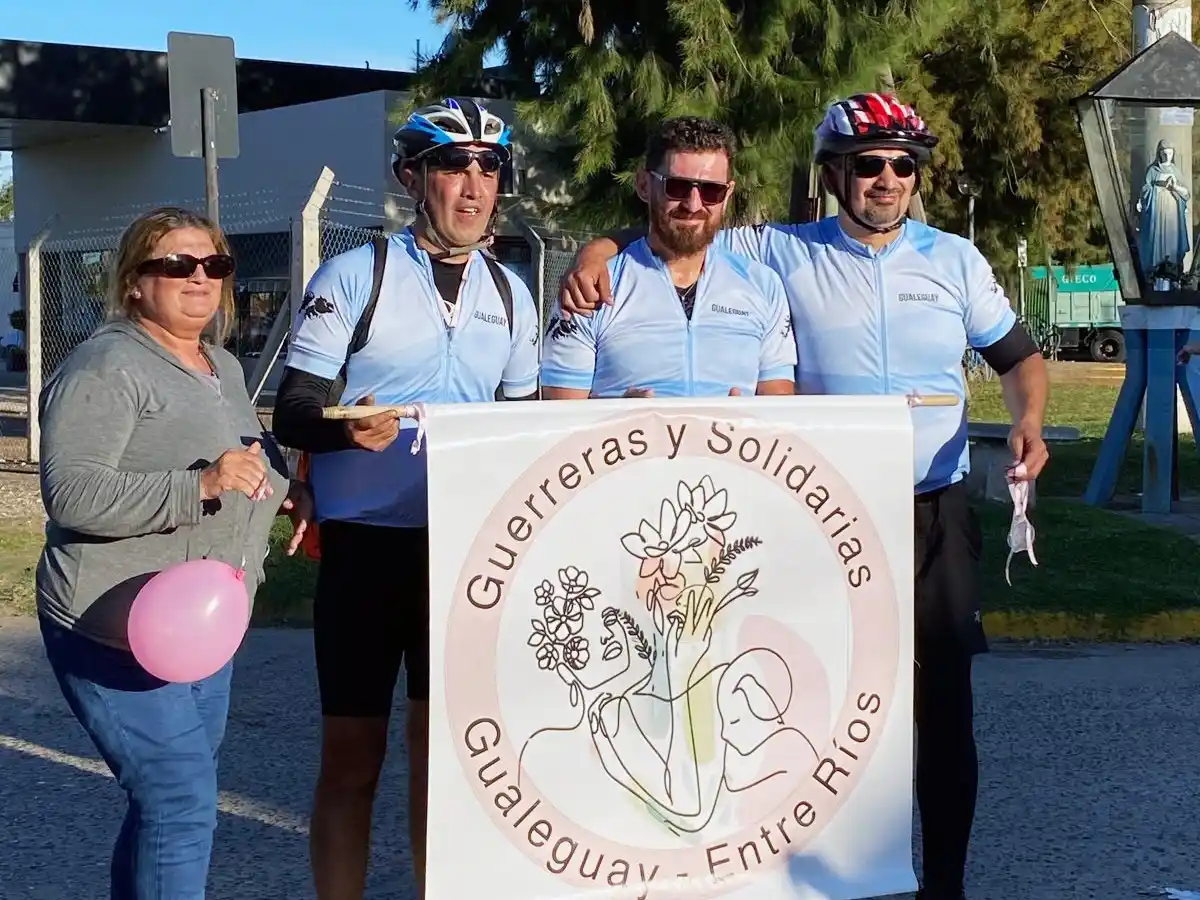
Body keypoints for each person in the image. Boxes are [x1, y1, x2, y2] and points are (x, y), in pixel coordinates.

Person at [555, 93, 1051, 900]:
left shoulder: (956, 261)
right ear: (832, 176)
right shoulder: (780, 250)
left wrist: (1029, 419)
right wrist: (595, 248)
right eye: (867, 166)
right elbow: (684, 227)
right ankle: (824, 881)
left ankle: (946, 886)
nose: (886, 181)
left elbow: (1019, 357)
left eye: (902, 166)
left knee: (944, 711)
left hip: (934, 507)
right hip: (827, 516)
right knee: (818, 703)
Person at [270, 97, 540, 900]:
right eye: (454, 166)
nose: (473, 184)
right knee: (353, 760)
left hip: (465, 553)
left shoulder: (513, 293)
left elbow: (522, 434)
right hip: (366, 551)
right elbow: (292, 410)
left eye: (489, 169)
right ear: (411, 177)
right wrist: (346, 433)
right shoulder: (359, 273)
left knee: (443, 764)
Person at [36, 205, 312, 900]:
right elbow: (71, 492)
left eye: (214, 265)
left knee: (167, 802)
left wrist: (285, 490)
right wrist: (200, 488)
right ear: (134, 282)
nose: (200, 277)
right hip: (111, 626)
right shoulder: (107, 365)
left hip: (200, 627)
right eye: (176, 264)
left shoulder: (217, 362)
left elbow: (243, 454)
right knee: (182, 803)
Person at [540, 116, 796, 400]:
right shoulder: (592, 288)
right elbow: (560, 418)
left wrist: (751, 419)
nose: (694, 205)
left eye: (712, 190)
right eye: (677, 187)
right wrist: (614, 419)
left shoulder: (763, 285)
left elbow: (778, 410)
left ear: (728, 194)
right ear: (644, 185)